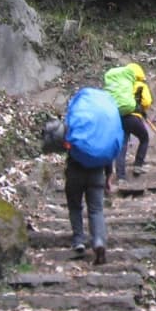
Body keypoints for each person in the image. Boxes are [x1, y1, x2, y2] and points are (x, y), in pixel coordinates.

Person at [52, 87, 124, 266]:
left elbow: (65, 139)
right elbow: (108, 152)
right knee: (96, 209)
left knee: (75, 206)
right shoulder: (103, 130)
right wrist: (108, 175)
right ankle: (99, 241)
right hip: (97, 172)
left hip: (75, 169)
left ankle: (78, 240)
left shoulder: (76, 117)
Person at [102, 62, 152, 181]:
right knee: (144, 138)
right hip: (133, 117)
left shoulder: (122, 85)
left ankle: (121, 176)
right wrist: (141, 108)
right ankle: (138, 165)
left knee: (122, 146)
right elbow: (147, 102)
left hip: (119, 117)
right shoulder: (140, 85)